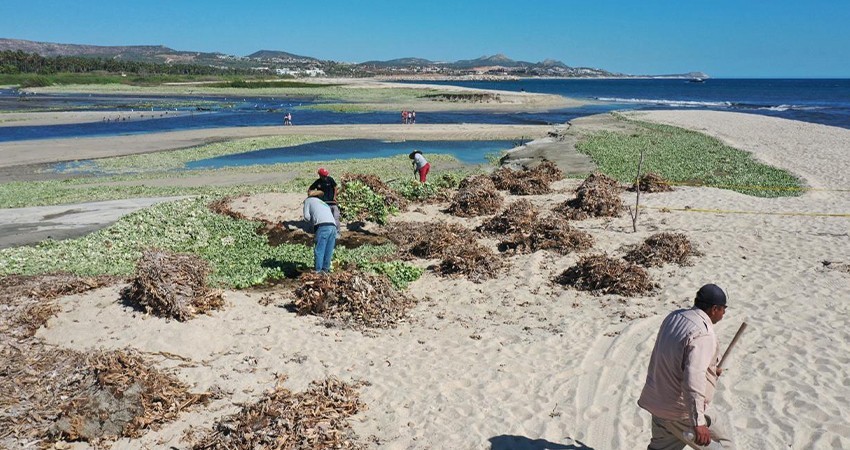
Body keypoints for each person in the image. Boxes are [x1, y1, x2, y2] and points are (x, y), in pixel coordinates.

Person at [638, 284, 736, 450]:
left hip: (658, 402)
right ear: (714, 309)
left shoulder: (675, 317)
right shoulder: (703, 333)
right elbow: (693, 378)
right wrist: (698, 422)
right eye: (723, 309)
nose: (724, 313)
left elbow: (674, 356)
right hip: (680, 411)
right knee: (725, 446)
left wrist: (711, 370)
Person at [303, 192, 337, 273]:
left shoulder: (308, 201)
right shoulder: (323, 203)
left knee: (320, 249)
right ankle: (326, 269)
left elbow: (307, 217)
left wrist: (311, 225)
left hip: (323, 226)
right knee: (328, 249)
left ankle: (318, 270)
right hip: (333, 226)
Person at [308, 167, 341, 236]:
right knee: (324, 219)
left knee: (336, 217)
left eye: (326, 175)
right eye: (324, 176)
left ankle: (337, 233)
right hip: (323, 204)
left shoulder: (330, 179)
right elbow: (310, 190)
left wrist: (335, 197)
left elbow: (335, 187)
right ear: (320, 175)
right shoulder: (318, 182)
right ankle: (318, 232)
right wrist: (313, 195)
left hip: (332, 202)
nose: (326, 177)